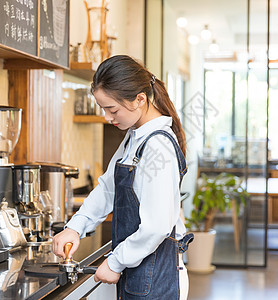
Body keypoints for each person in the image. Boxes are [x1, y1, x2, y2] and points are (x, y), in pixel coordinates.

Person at [52, 55, 194, 299]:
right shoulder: (134, 136)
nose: (107, 117)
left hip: (157, 275)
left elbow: (158, 225)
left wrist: (116, 262)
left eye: (112, 109)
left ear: (140, 99)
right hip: (140, 273)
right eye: (104, 109)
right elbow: (109, 187)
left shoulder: (157, 145)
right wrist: (75, 227)